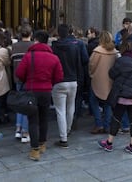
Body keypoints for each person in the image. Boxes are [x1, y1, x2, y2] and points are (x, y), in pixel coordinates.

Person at [15, 30, 63, 161]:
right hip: (46, 91)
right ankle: (42, 144)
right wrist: (49, 82)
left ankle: (34, 150)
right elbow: (59, 76)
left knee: (33, 120)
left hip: (31, 91)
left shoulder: (29, 56)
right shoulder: (54, 57)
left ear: (35, 40)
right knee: (43, 119)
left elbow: (19, 73)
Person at [98, 41, 132, 155]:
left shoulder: (121, 60)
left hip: (123, 95)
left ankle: (109, 143)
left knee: (116, 118)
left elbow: (112, 74)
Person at [51, 24, 83, 148]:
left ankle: (63, 137)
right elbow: (78, 64)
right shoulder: (75, 47)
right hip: (73, 80)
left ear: (58, 33)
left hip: (59, 81)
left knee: (60, 110)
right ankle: (68, 130)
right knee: (71, 106)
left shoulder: (54, 47)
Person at [88, 31, 118, 134]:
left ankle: (99, 124)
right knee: (108, 103)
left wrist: (92, 74)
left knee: (93, 101)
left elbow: (91, 65)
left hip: (97, 79)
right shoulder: (115, 52)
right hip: (110, 80)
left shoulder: (97, 51)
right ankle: (107, 125)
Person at [11, 24, 34, 143]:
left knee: (20, 103)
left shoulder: (14, 46)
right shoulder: (33, 46)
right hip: (30, 79)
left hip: (17, 78)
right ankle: (25, 132)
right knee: (27, 104)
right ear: (31, 34)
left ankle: (18, 128)